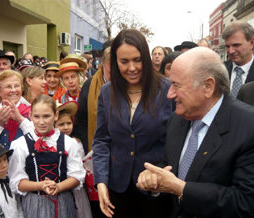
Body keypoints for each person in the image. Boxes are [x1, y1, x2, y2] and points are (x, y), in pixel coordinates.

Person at [137, 47, 254, 217]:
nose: (170, 94)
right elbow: (171, 166)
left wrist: (180, 188)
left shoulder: (248, 126)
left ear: (208, 86)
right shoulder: (177, 120)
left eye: (177, 86)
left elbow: (245, 202)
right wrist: (154, 178)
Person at [92, 29, 172, 218]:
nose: (132, 68)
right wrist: (101, 182)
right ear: (115, 62)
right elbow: (102, 140)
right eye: (124, 61)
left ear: (146, 57)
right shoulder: (107, 92)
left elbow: (176, 140)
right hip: (118, 188)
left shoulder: (167, 89)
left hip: (157, 188)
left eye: (137, 60)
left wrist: (161, 171)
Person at [8, 95, 85, 218]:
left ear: (56, 115)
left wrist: (58, 187)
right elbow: (17, 182)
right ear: (30, 116)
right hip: (34, 202)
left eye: (46, 116)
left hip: (63, 201)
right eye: (37, 117)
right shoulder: (19, 145)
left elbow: (76, 176)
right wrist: (41, 185)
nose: (41, 122)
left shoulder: (69, 143)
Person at [72, 46, 111, 218]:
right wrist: (89, 148)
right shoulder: (90, 84)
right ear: (103, 65)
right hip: (93, 151)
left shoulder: (126, 85)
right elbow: (80, 120)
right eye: (111, 67)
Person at [55, 101, 92, 218]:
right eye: (61, 124)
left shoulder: (77, 142)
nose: (66, 127)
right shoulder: (52, 145)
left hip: (76, 187)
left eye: (68, 123)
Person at [222, 21, 254, 98]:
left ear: (252, 43)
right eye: (227, 46)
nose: (231, 51)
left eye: (236, 45)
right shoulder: (220, 70)